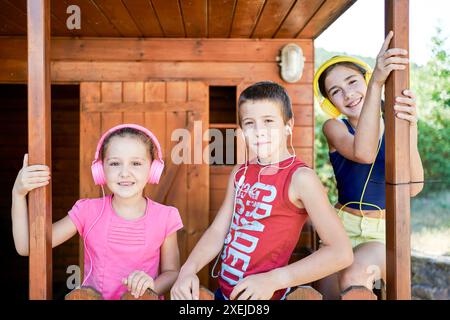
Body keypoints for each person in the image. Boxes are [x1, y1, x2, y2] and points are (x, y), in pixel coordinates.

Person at [171, 81, 353, 300]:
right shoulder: (240, 172)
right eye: (249, 123)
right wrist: (188, 269)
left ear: (288, 125)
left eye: (268, 121)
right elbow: (218, 231)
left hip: (265, 297)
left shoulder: (301, 178)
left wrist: (274, 280)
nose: (259, 132)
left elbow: (341, 252)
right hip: (225, 295)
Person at [11, 124, 183, 300]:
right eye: (115, 163)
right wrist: (17, 194)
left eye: (136, 163)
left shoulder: (166, 217)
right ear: (100, 170)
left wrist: (152, 285)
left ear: (153, 169)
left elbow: (172, 272)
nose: (125, 173)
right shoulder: (87, 211)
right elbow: (26, 247)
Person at [314, 31, 424, 299]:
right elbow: (363, 153)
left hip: (381, 232)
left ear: (364, 79)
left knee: (354, 278)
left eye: (353, 82)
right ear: (331, 103)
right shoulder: (333, 127)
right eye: (336, 91)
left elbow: (413, 187)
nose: (348, 94)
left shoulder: (396, 124)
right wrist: (376, 84)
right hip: (340, 228)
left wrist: (411, 126)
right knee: (326, 294)